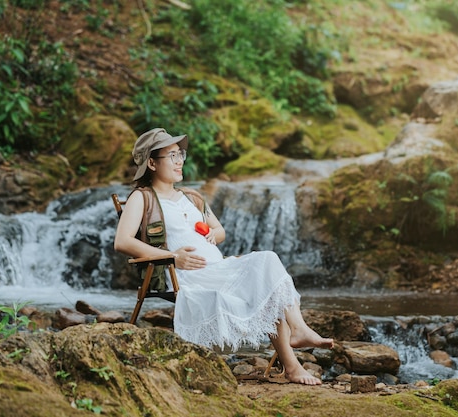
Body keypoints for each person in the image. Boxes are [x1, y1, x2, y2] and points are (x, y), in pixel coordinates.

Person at [114, 127, 334, 385]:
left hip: (219, 269)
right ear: (151, 162)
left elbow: (218, 231)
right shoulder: (143, 198)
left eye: (180, 154)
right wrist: (172, 256)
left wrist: (212, 235)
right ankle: (294, 359)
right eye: (171, 156)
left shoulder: (192, 198)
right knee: (265, 269)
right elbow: (123, 241)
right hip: (187, 276)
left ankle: (297, 333)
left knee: (267, 263)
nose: (180, 161)